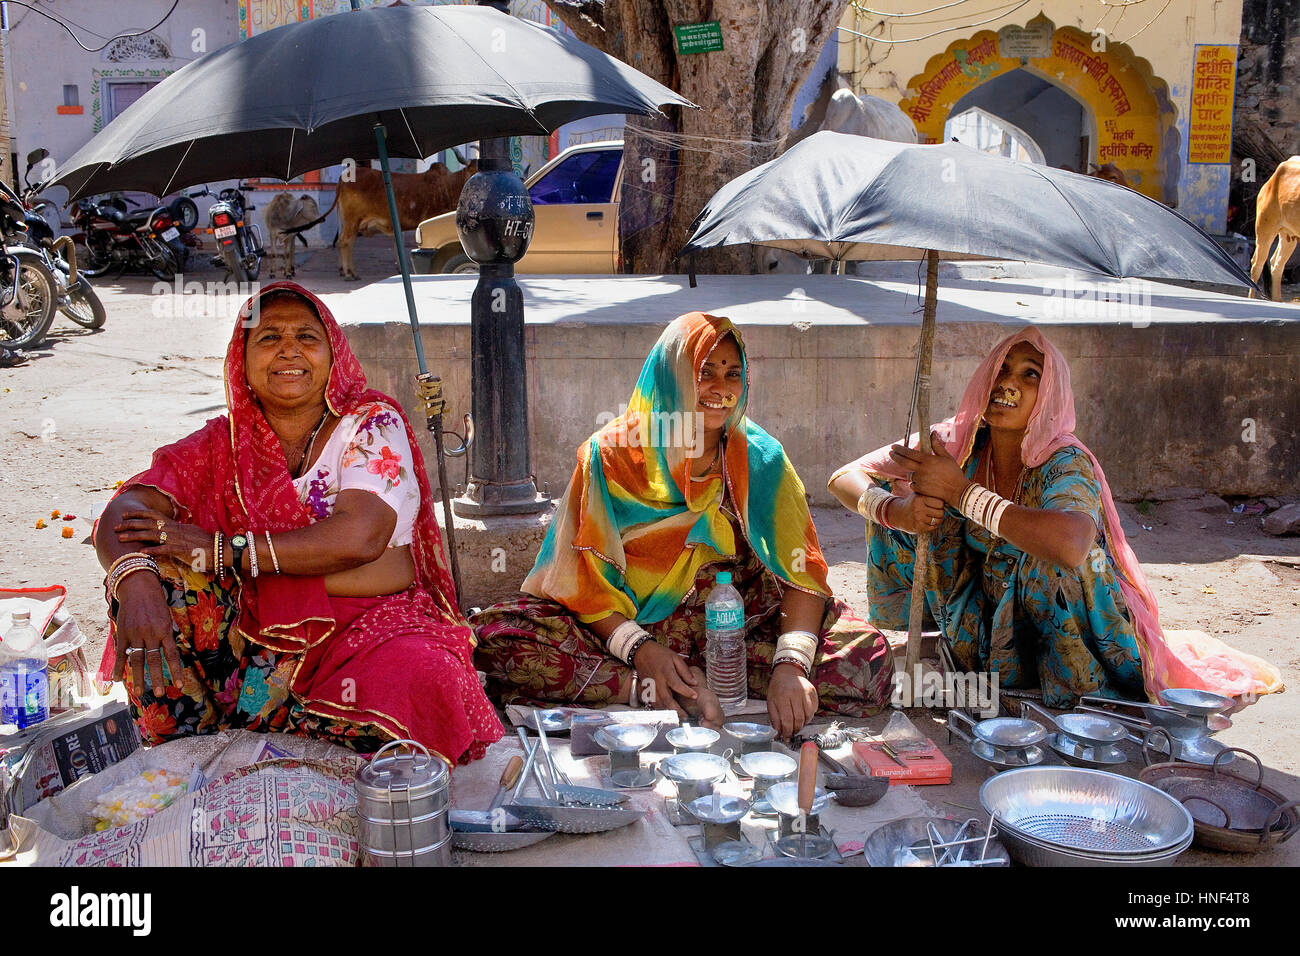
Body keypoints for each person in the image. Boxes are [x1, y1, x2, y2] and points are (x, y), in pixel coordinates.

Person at [94, 281, 502, 764]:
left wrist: (222, 551)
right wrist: (133, 582)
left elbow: (360, 536)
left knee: (427, 679)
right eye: (268, 338)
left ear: (334, 355)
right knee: (154, 579)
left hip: (368, 625)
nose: (289, 350)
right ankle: (188, 754)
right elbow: (123, 513)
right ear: (240, 359)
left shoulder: (369, 424)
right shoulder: (220, 443)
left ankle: (285, 742)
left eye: (307, 337)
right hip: (251, 624)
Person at [472, 312, 895, 737]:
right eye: (704, 372)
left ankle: (699, 684)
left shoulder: (761, 459)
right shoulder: (609, 457)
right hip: (627, 631)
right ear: (671, 374)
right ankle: (649, 691)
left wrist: (791, 665)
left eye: (733, 374)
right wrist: (642, 653)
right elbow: (581, 581)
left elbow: (801, 576)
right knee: (498, 639)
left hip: (736, 632)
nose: (721, 389)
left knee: (867, 658)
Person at [829, 326, 1279, 708]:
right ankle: (959, 653)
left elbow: (1071, 544)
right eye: (1002, 370)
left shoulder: (1062, 460)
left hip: (1061, 620)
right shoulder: (957, 439)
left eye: (1030, 376)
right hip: (983, 615)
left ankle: (1066, 696)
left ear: (1049, 394)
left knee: (1050, 557)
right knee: (899, 492)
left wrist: (961, 493)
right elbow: (844, 477)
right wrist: (898, 511)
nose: (1009, 384)